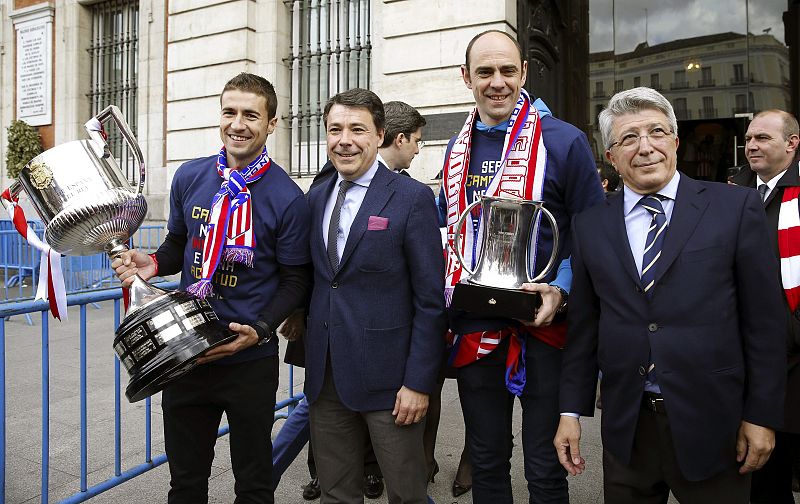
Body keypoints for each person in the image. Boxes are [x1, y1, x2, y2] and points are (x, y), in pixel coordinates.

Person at [554, 87, 787, 503]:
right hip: (628, 429)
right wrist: (570, 412)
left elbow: (765, 324)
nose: (645, 147)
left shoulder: (734, 208)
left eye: (656, 132)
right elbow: (585, 328)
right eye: (628, 138)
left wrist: (761, 415)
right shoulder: (589, 225)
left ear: (675, 143)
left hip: (715, 424)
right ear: (611, 157)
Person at [112, 72, 312, 504]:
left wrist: (259, 329)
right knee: (185, 482)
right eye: (230, 112)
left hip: (249, 361)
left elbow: (296, 279)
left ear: (271, 124)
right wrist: (154, 262)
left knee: (255, 483)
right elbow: (179, 244)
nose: (238, 124)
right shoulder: (190, 176)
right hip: (187, 355)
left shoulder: (288, 197)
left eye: (251, 115)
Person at [438, 30, 604, 503]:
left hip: (546, 327)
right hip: (478, 327)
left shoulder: (565, 141)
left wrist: (562, 288)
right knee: (487, 463)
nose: (497, 82)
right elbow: (449, 231)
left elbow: (591, 234)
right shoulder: (456, 149)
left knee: (545, 468)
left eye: (508, 70)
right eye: (485, 72)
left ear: (524, 73)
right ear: (466, 77)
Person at [305, 88, 447, 503]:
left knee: (406, 493)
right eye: (335, 129)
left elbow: (430, 302)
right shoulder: (316, 196)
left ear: (380, 134)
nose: (344, 139)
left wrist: (419, 383)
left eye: (357, 129)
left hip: (392, 384)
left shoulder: (412, 198)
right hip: (327, 378)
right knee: (336, 494)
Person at [730, 109, 800, 504]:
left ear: (792, 144)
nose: (751, 145)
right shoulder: (730, 192)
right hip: (751, 356)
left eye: (762, 138)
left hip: (795, 355)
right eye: (749, 138)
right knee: (763, 478)